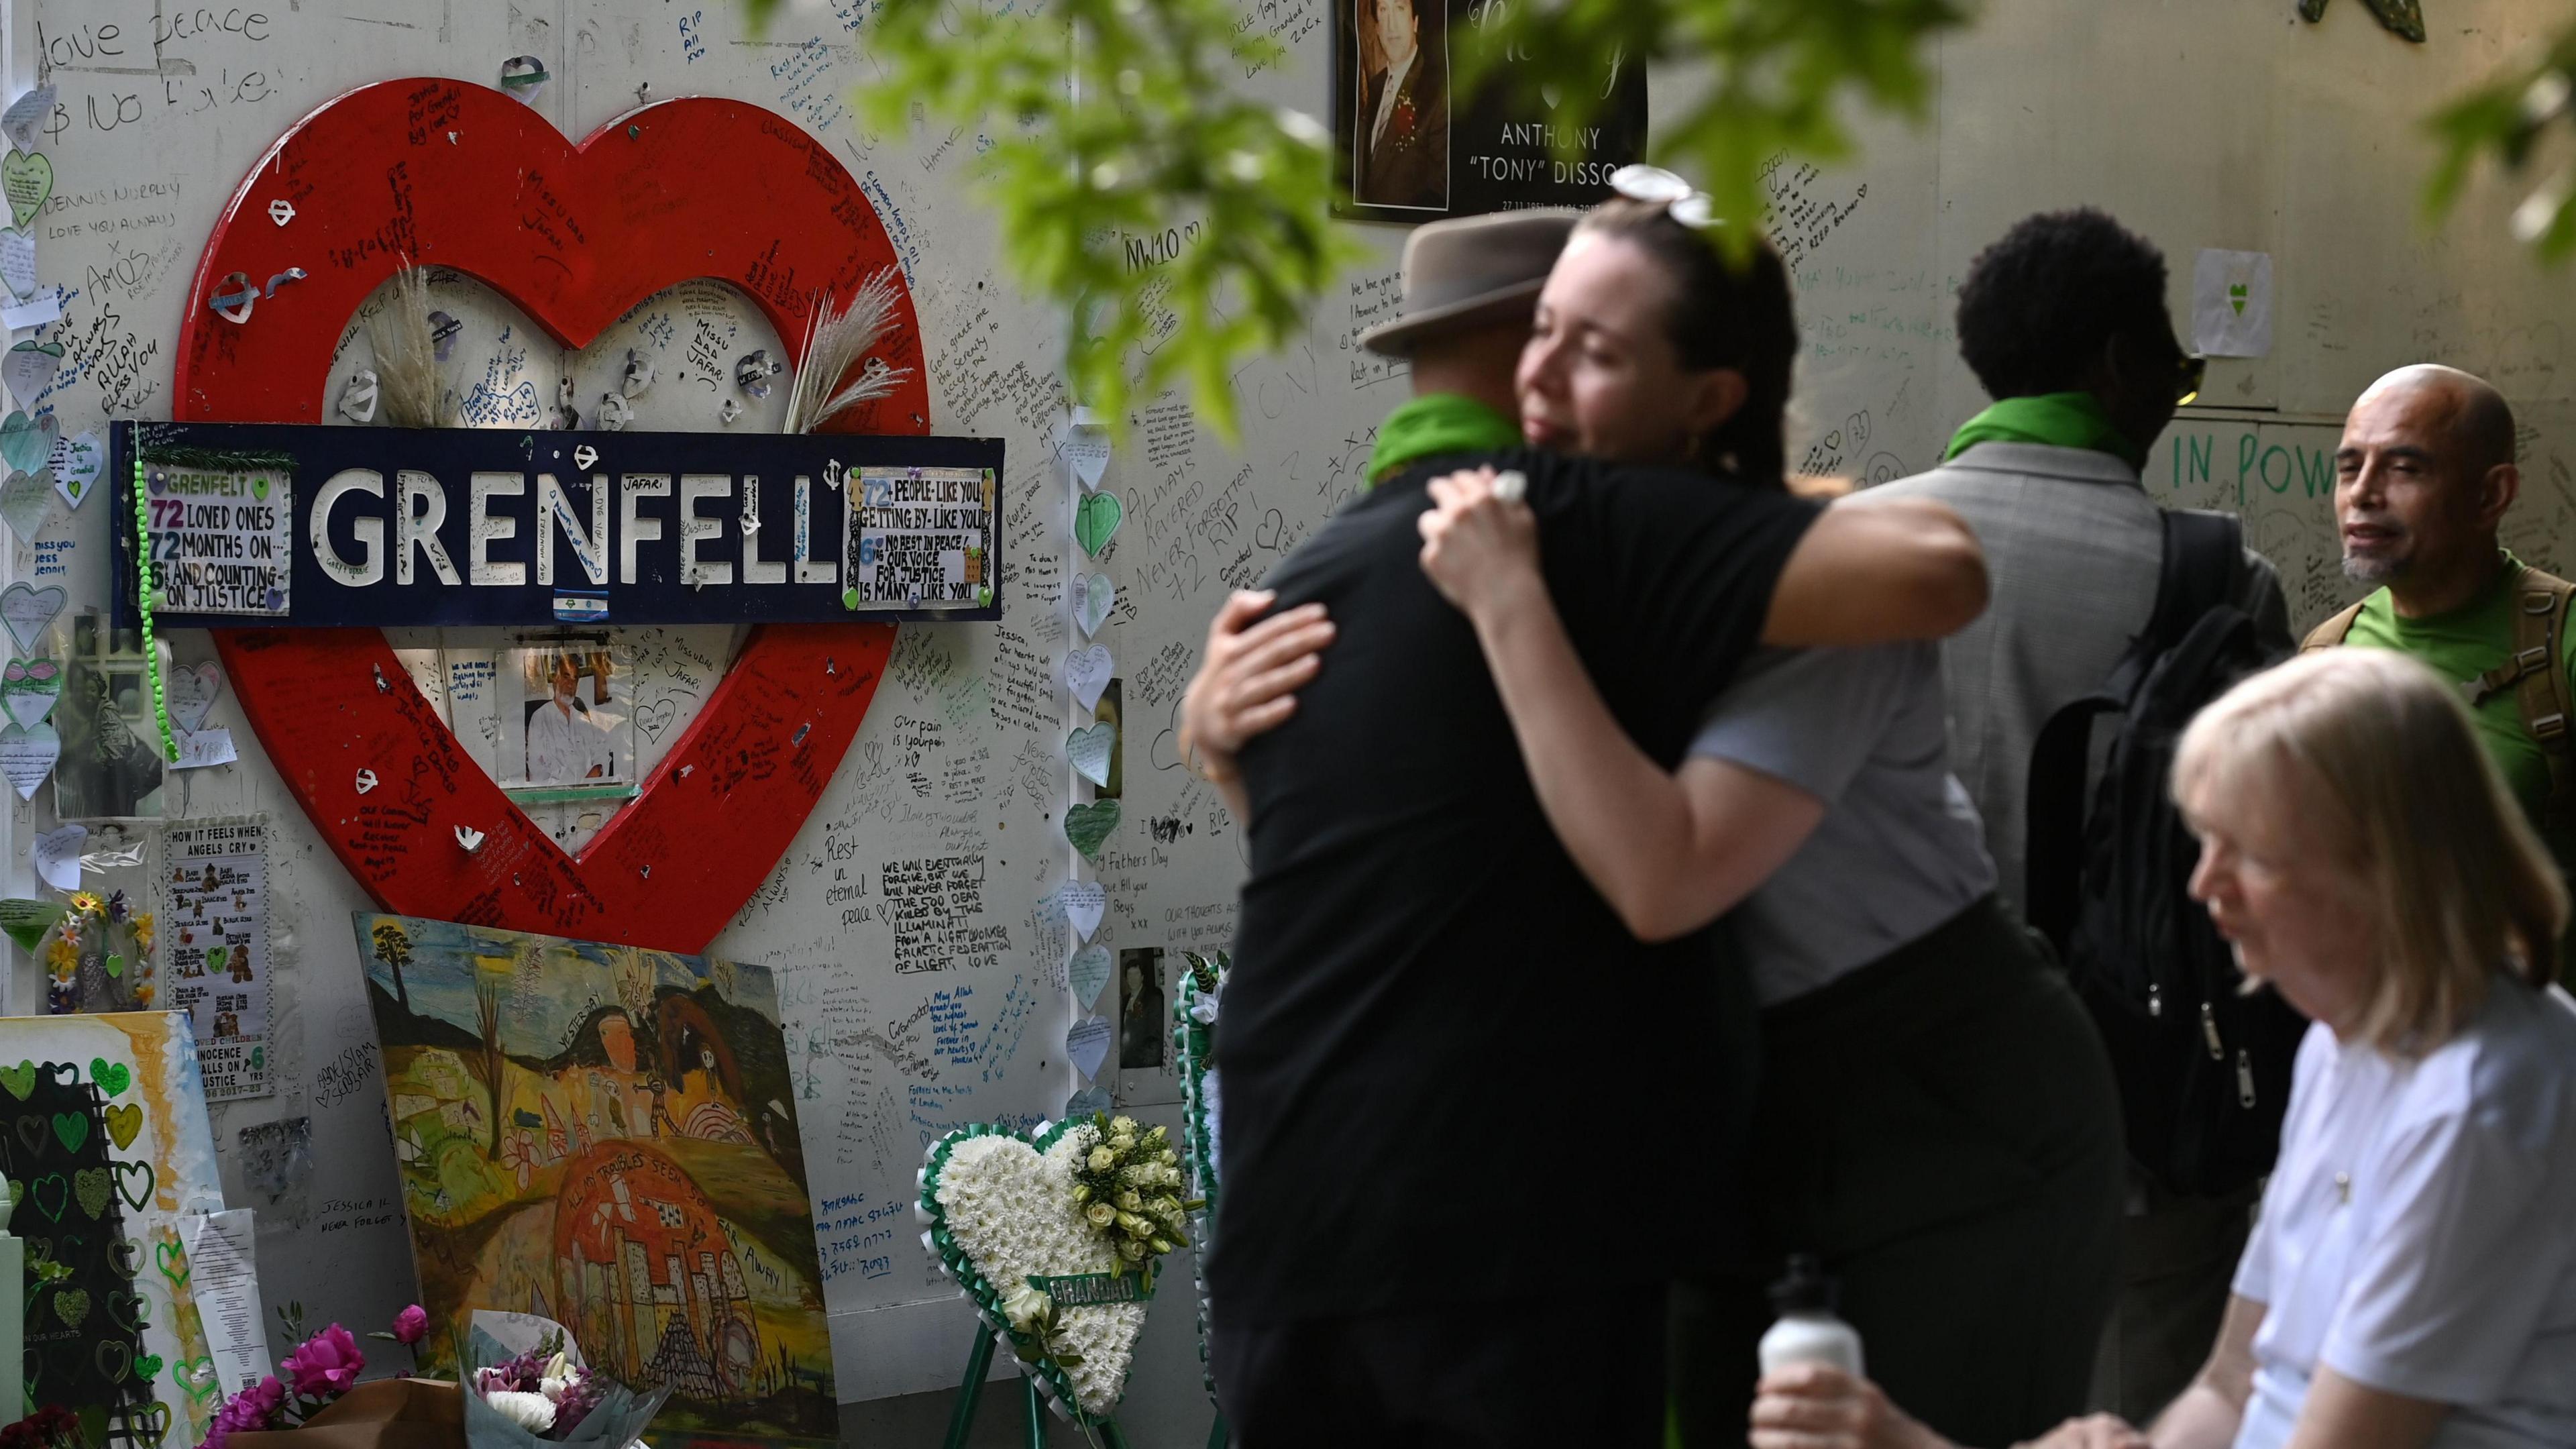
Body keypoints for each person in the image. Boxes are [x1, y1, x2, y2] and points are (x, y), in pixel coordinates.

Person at [1229, 192, 2121, 1445]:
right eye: (1539, 329)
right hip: (1725, 1118)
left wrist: (1509, 608)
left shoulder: (1778, 587)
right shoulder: (1559, 547)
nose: (1536, 376)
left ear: (1707, 395)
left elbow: (1664, 875)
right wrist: (1224, 741)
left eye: (1594, 349)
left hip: (1930, 1087)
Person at [1750, 649, 2576, 1449]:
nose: (2202, 884)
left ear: (2382, 866)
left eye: (2247, 853)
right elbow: (2232, 1384)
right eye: (2204, 841)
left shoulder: (2476, 1104)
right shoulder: (2346, 1034)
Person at [1865, 208, 2294, 1422]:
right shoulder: (2214, 575)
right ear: (2118, 365)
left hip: (1895, 1131)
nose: (2174, 390)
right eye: (2174, 361)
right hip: (2136, 1138)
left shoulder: (1850, 547)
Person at [2304, 364, 2576, 897]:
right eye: (2349, 468)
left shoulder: (2563, 644)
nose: (2362, 494)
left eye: (2404, 469)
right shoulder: (2326, 654)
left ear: (2491, 495)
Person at [1350, 0, 1448, 210]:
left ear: (1415, 22)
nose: (1391, 25)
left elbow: (1442, 189)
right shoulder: (1375, 87)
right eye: (1383, 10)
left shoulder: (1439, 93)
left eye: (1400, 8)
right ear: (1376, 27)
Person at [525, 651, 612, 784]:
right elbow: (537, 772)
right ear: (555, 679)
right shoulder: (540, 718)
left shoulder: (582, 719)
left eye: (575, 679)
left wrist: (598, 768)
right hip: (555, 796)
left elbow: (602, 751)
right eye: (566, 677)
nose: (571, 684)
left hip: (586, 793)